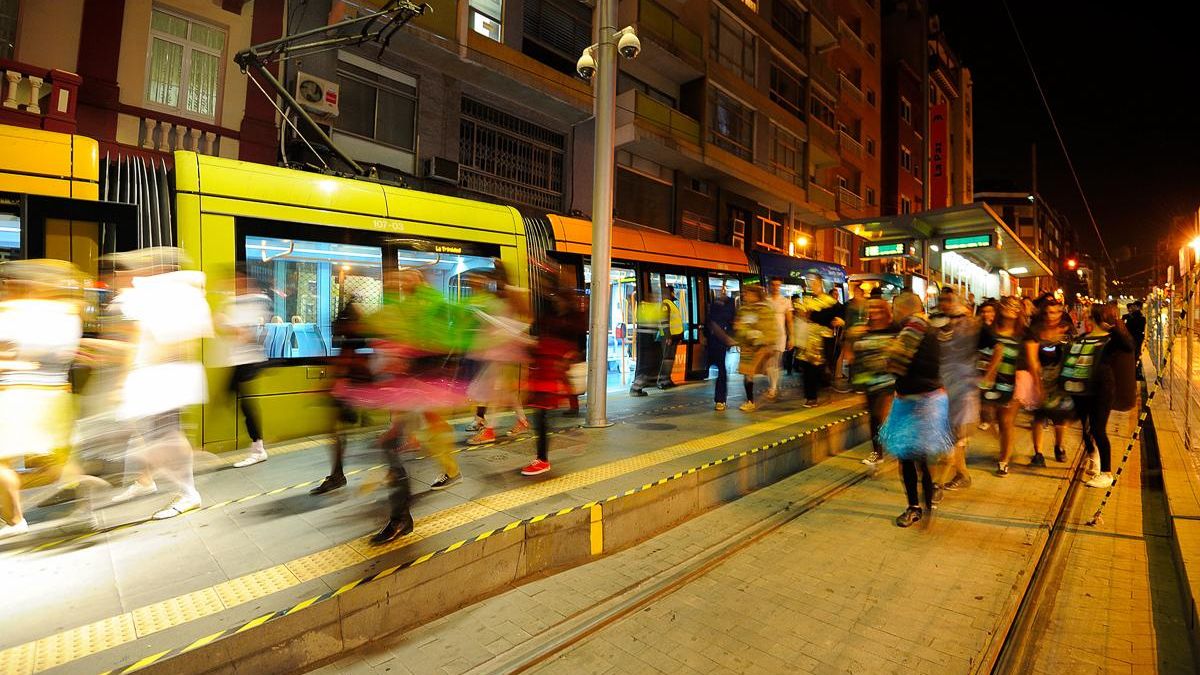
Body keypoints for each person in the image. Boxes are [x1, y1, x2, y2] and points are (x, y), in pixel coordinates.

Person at [107, 248, 213, 520]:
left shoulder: (176, 297)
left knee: (163, 436)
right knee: (155, 434)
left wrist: (128, 377)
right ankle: (148, 480)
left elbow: (173, 344)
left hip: (162, 379)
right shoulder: (174, 295)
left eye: (148, 265)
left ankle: (188, 492)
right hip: (158, 377)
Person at [0, 260, 84, 539]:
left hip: (19, 396)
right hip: (57, 396)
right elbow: (67, 356)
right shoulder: (69, 315)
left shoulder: (13, 313)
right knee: (54, 465)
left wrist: (16, 363)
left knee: (2, 463)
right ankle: (85, 491)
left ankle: (15, 520)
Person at [879, 292, 953, 528]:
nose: (893, 314)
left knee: (909, 457)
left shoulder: (914, 329)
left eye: (894, 309)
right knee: (919, 457)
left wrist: (888, 357)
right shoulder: (929, 329)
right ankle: (927, 502)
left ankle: (916, 507)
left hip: (918, 401)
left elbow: (895, 363)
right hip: (928, 398)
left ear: (902, 309)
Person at [1063, 302, 1134, 488]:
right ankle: (1093, 454)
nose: (1085, 318)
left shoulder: (1111, 339)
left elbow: (1128, 346)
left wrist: (1113, 328)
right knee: (1085, 426)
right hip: (1080, 387)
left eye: (1088, 315)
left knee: (1098, 429)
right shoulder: (1084, 337)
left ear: (1096, 318)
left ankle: (1106, 473)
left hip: (1102, 389)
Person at [522, 277, 586, 476]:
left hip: (552, 370)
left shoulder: (571, 318)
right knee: (539, 414)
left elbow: (575, 347)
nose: (555, 300)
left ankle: (542, 459)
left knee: (541, 415)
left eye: (557, 297)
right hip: (543, 368)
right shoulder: (551, 314)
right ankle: (541, 457)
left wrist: (564, 358)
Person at [930, 288, 979, 491]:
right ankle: (961, 473)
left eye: (948, 299)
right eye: (941, 299)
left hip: (963, 385)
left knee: (956, 434)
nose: (944, 303)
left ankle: (952, 477)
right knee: (949, 432)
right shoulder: (936, 322)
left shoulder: (967, 323)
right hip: (943, 384)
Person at [224, 271, 271, 468]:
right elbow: (223, 322)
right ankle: (258, 444)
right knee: (232, 396)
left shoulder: (257, 301)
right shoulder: (234, 301)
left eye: (237, 280)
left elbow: (257, 329)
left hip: (250, 360)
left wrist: (242, 330)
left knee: (245, 402)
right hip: (238, 360)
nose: (234, 285)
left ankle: (258, 447)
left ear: (244, 280)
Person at [846, 291, 898, 466]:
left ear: (885, 310)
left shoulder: (894, 329)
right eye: (871, 307)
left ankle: (889, 445)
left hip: (888, 380)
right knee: (874, 418)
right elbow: (851, 351)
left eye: (877, 307)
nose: (874, 310)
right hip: (868, 380)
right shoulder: (861, 330)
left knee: (880, 414)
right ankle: (878, 452)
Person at [1025, 296, 1076, 466]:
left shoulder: (1067, 330)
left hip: (1061, 381)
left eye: (1054, 312)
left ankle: (1059, 446)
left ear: (1060, 313)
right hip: (1040, 378)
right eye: (1047, 312)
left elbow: (1074, 355)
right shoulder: (1035, 331)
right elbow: (1032, 359)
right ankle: (1038, 453)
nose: (1051, 316)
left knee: (1061, 419)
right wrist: (1038, 383)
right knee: (1038, 418)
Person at [979, 297, 1026, 476]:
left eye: (1015, 306)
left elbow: (1030, 360)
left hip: (1011, 382)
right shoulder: (989, 331)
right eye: (1006, 304)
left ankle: (1004, 460)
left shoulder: (1022, 334)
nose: (1010, 308)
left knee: (1006, 422)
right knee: (988, 417)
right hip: (987, 381)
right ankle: (1005, 449)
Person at [795, 274, 844, 407]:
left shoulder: (830, 302)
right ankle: (811, 397)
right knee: (807, 367)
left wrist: (840, 321)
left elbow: (841, 314)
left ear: (820, 283)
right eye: (811, 283)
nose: (813, 285)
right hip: (809, 339)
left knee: (821, 367)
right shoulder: (808, 301)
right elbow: (801, 317)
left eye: (815, 283)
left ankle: (823, 388)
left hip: (824, 339)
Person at [733, 284, 777, 412]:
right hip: (747, 347)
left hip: (761, 346)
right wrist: (742, 335)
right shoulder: (743, 309)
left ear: (755, 295)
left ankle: (772, 389)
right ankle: (750, 401)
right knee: (747, 374)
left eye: (747, 293)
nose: (745, 296)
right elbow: (739, 326)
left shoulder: (765, 309)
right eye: (744, 294)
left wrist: (766, 341)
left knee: (767, 368)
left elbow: (770, 328)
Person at [706, 284, 736, 411]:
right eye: (720, 288)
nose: (722, 291)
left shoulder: (730, 305)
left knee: (722, 370)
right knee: (721, 370)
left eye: (724, 288)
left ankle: (720, 399)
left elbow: (731, 322)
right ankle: (720, 399)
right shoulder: (714, 304)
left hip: (719, 343)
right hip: (714, 341)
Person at [629, 291, 663, 397]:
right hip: (649, 339)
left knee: (646, 364)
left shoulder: (641, 307)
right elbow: (658, 323)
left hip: (642, 338)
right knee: (648, 365)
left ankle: (639, 386)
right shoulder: (653, 308)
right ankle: (636, 388)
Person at [765, 278, 793, 400]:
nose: (776, 287)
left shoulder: (785, 301)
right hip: (768, 335)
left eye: (778, 285)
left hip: (780, 335)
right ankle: (772, 385)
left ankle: (773, 387)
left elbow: (789, 320)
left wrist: (791, 337)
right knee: (769, 362)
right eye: (774, 285)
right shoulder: (766, 300)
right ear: (770, 286)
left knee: (776, 360)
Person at [658, 286, 684, 389]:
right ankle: (662, 381)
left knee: (670, 359)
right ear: (670, 293)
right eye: (673, 292)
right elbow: (664, 321)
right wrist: (668, 336)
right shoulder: (666, 304)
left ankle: (667, 379)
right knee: (667, 358)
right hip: (668, 337)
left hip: (674, 336)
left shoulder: (671, 304)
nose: (674, 294)